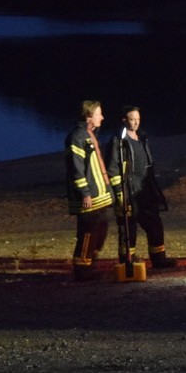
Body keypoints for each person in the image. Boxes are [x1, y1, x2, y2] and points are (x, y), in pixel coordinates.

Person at [107, 106, 177, 270]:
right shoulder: (118, 140)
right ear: (124, 120)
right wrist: (120, 193)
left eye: (138, 118)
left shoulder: (142, 136)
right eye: (132, 119)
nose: (136, 122)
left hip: (145, 188)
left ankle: (159, 258)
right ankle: (127, 262)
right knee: (128, 228)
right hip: (129, 190)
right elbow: (112, 169)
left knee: (154, 222)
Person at [65, 100, 115, 281]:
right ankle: (82, 270)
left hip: (100, 195)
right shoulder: (77, 137)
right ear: (89, 116)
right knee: (88, 233)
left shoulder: (90, 134)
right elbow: (76, 168)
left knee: (100, 231)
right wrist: (85, 192)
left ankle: (90, 265)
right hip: (89, 196)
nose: (102, 117)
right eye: (98, 113)